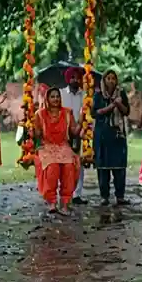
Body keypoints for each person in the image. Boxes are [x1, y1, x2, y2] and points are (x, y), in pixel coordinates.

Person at [34, 87, 79, 215]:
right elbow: (37, 135)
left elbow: (74, 131)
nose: (55, 99)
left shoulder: (67, 113)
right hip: (47, 146)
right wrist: (31, 124)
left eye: (57, 96)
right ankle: (52, 202)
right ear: (47, 98)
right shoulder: (40, 114)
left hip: (63, 146)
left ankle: (65, 203)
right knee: (52, 168)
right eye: (52, 96)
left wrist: (82, 120)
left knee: (69, 167)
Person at [92, 70, 130, 207]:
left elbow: (126, 111)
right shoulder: (98, 95)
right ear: (104, 80)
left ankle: (120, 197)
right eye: (108, 78)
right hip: (102, 135)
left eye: (113, 78)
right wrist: (111, 106)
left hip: (117, 135)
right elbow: (95, 113)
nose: (111, 81)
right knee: (103, 168)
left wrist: (118, 104)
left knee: (119, 168)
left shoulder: (121, 94)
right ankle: (104, 196)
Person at [61, 68, 87, 205]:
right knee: (64, 164)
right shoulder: (61, 94)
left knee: (79, 164)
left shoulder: (86, 96)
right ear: (68, 79)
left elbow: (89, 116)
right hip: (63, 133)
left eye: (78, 77)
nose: (75, 80)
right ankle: (65, 192)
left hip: (81, 132)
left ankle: (77, 194)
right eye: (72, 77)